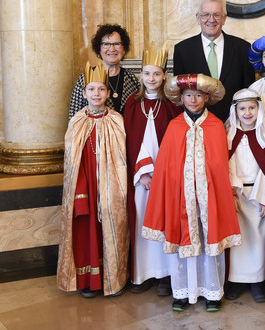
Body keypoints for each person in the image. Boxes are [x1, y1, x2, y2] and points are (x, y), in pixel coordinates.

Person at [141, 74, 242, 313]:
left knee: (209, 241)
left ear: (207, 98)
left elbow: (220, 164)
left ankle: (212, 292)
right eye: (188, 95)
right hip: (180, 197)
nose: (193, 100)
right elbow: (167, 165)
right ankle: (182, 292)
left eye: (198, 95)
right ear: (181, 97)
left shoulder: (216, 125)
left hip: (209, 198)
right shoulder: (175, 126)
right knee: (182, 242)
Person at [57, 61, 129, 298]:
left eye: (101, 89)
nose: (96, 94)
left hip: (110, 190)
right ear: (84, 92)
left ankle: (114, 279)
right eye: (91, 89)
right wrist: (80, 193)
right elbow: (72, 163)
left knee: (112, 230)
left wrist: (114, 192)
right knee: (86, 232)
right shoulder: (77, 121)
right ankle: (89, 281)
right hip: (85, 189)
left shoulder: (117, 119)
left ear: (108, 93)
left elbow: (121, 159)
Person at [123, 43, 183, 296]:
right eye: (147, 74)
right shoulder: (132, 104)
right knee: (140, 220)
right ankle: (143, 273)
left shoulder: (172, 105)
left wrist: (161, 173)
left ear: (164, 76)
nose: (151, 79)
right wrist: (143, 173)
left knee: (166, 219)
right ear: (141, 76)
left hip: (165, 176)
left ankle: (167, 276)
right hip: (140, 178)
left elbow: (177, 143)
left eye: (157, 74)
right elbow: (128, 141)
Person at [224, 88, 265, 303]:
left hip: (258, 196)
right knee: (238, 241)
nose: (247, 113)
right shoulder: (228, 136)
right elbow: (226, 165)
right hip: (237, 195)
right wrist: (233, 193)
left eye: (252, 108)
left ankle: (257, 281)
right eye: (242, 109)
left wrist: (264, 197)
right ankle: (236, 280)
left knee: (258, 240)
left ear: (259, 109)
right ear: (235, 112)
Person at [173, 0, 255, 122]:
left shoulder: (243, 48)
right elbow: (180, 95)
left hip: (235, 123)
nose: (211, 20)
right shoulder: (183, 50)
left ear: (224, 18)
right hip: (197, 124)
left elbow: (248, 92)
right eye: (206, 15)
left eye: (217, 15)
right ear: (198, 18)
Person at [69, 24, 139, 119]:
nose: (112, 49)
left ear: (124, 48)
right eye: (106, 44)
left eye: (117, 44)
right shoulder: (86, 77)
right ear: (99, 48)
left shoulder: (132, 79)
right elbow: (74, 115)